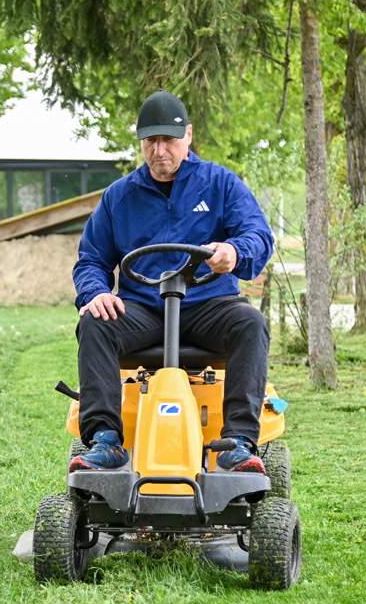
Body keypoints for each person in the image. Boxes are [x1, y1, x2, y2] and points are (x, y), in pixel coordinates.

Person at [71, 90, 275, 474]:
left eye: (169, 139)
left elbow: (258, 236)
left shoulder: (220, 184)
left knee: (251, 323)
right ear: (141, 142)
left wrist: (234, 251)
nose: (159, 150)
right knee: (95, 322)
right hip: (144, 308)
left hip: (208, 304)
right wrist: (95, 292)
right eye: (151, 140)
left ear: (188, 136)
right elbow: (91, 259)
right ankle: (105, 440)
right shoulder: (119, 197)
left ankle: (238, 443)